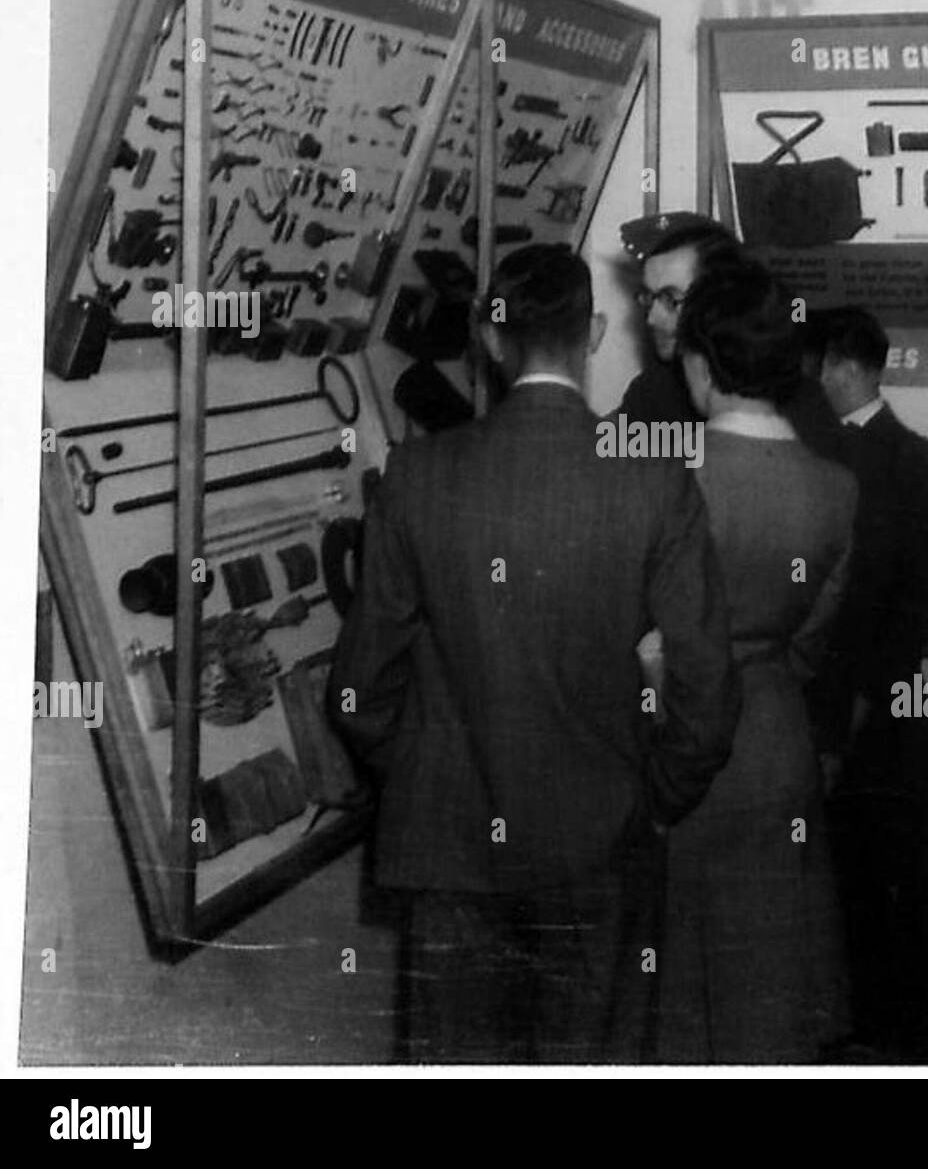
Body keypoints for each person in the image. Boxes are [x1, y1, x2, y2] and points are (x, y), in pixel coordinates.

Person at [329, 242, 740, 1064]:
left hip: (449, 854)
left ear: (489, 337)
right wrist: (652, 800)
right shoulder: (656, 481)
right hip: (600, 848)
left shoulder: (416, 474)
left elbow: (358, 692)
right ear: (593, 335)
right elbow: (705, 695)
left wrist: (427, 775)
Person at [657, 266, 858, 1062]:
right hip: (777, 743)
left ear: (700, 362)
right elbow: (813, 639)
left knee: (677, 994)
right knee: (766, 990)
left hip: (672, 739)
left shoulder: (669, 475)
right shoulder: (837, 487)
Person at [811, 307, 928, 1035]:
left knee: (903, 859)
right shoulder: (823, 449)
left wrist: (874, 682)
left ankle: (921, 1026)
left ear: (842, 368)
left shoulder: (913, 461)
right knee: (838, 865)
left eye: (818, 365)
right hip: (831, 691)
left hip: (885, 699)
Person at [615, 210, 750, 424]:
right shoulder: (651, 394)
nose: (652, 319)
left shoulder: (781, 402)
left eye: (670, 300)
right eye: (649, 297)